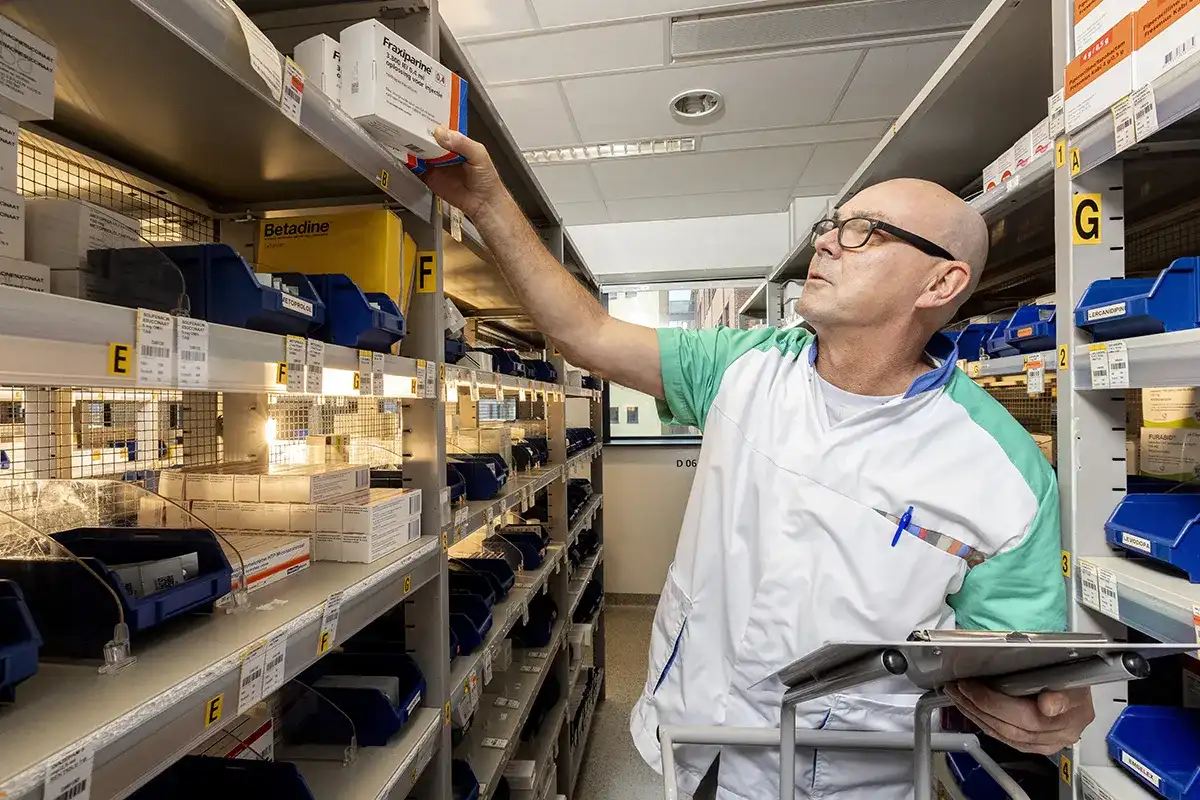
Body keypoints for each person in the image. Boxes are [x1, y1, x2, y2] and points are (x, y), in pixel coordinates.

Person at [423, 127, 1095, 799]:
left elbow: (1013, 664)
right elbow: (585, 333)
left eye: (865, 232)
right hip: (700, 738)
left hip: (850, 778)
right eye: (834, 225)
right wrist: (486, 202)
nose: (826, 241)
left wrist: (1044, 709)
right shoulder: (746, 365)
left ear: (940, 280)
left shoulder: (1004, 472)